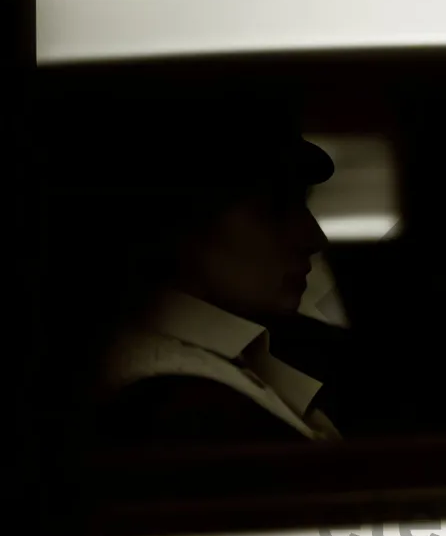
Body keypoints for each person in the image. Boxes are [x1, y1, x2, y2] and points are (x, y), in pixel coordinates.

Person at [67, 92, 345, 447]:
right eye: (275, 207)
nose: (313, 236)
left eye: (301, 203)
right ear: (182, 218)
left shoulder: (238, 363)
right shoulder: (176, 406)